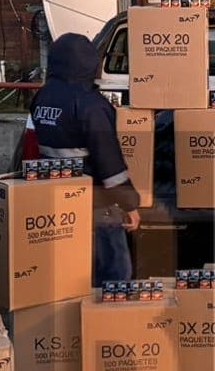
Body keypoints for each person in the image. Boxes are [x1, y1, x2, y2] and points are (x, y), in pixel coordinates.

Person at [31, 32, 142, 282]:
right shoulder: (90, 105)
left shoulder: (42, 97)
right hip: (95, 202)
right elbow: (109, 164)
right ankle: (104, 321)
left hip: (55, 200)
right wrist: (130, 204)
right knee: (115, 273)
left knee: (71, 272)